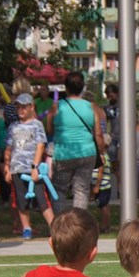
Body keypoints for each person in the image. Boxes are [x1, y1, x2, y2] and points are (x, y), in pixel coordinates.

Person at [49, 71, 103, 213]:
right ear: (82, 87)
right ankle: (79, 222)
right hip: (87, 153)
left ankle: (60, 221)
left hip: (63, 153)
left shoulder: (57, 106)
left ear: (66, 87)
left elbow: (49, 128)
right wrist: (101, 152)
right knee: (81, 190)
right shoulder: (91, 107)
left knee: (59, 190)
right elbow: (98, 133)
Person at [4, 93, 54, 240]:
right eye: (18, 107)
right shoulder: (13, 126)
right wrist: (7, 167)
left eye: (24, 106)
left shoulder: (37, 125)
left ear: (32, 107)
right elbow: (9, 148)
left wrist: (34, 167)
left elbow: (40, 146)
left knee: (42, 199)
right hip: (17, 168)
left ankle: (54, 226)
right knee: (21, 200)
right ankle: (26, 228)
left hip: (33, 169)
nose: (21, 109)